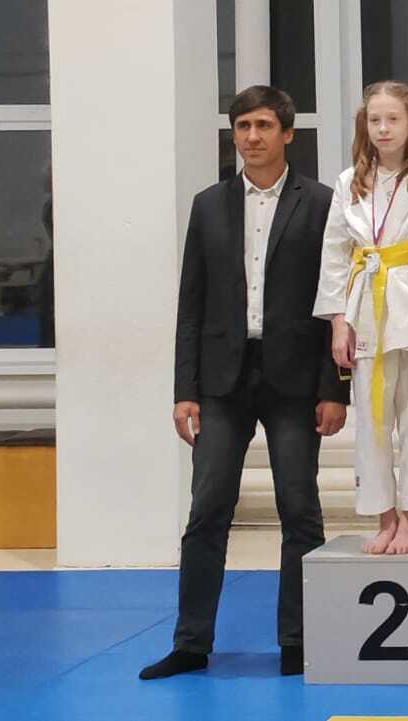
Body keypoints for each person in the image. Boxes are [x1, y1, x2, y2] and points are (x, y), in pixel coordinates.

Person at [143, 85, 347, 680]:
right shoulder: (209, 205)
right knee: (207, 509)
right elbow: (191, 304)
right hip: (220, 381)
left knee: (299, 510)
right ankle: (190, 643)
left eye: (263, 126)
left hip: (296, 379)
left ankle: (298, 642)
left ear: (287, 133)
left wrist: (334, 389)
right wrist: (184, 390)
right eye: (242, 127)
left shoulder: (323, 204)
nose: (251, 137)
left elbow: (337, 302)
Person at [313, 81, 408, 555]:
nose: (383, 129)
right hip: (365, 308)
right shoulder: (348, 182)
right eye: (375, 120)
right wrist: (338, 322)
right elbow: (335, 254)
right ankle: (384, 516)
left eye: (393, 119)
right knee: (372, 422)